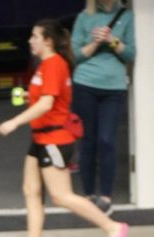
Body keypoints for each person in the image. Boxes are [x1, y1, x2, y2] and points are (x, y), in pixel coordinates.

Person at [0, 18, 129, 237]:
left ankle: (113, 227)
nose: (30, 41)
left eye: (35, 36)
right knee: (31, 190)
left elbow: (47, 104)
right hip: (41, 137)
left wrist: (15, 122)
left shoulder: (54, 64)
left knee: (61, 196)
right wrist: (29, 96)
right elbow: (47, 99)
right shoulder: (44, 65)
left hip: (55, 139)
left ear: (47, 40)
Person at [71, 1, 136, 214]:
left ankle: (106, 195)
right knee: (88, 140)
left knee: (106, 140)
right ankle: (89, 194)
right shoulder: (84, 17)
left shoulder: (126, 16)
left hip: (114, 88)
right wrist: (95, 43)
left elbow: (131, 54)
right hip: (85, 84)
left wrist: (112, 40)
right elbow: (75, 55)